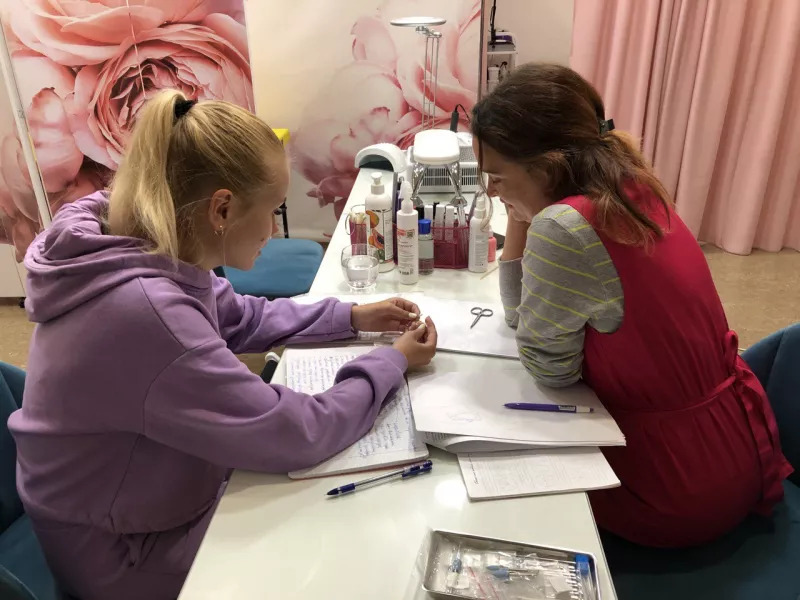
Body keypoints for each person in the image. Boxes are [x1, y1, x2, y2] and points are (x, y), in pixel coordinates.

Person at [8, 90, 438, 600]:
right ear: (223, 208)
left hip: (125, 500)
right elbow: (298, 431)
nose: (272, 229)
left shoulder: (141, 232)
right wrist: (389, 362)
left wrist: (348, 316)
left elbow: (236, 315)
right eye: (274, 210)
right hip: (118, 551)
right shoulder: (145, 314)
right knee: (330, 542)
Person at [471, 63, 792, 547]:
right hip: (731, 446)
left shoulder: (563, 228)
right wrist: (523, 209)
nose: (490, 191)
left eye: (496, 177)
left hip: (671, 483)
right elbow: (526, 316)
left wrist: (534, 218)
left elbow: (549, 368)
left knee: (491, 489)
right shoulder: (630, 186)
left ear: (547, 168)